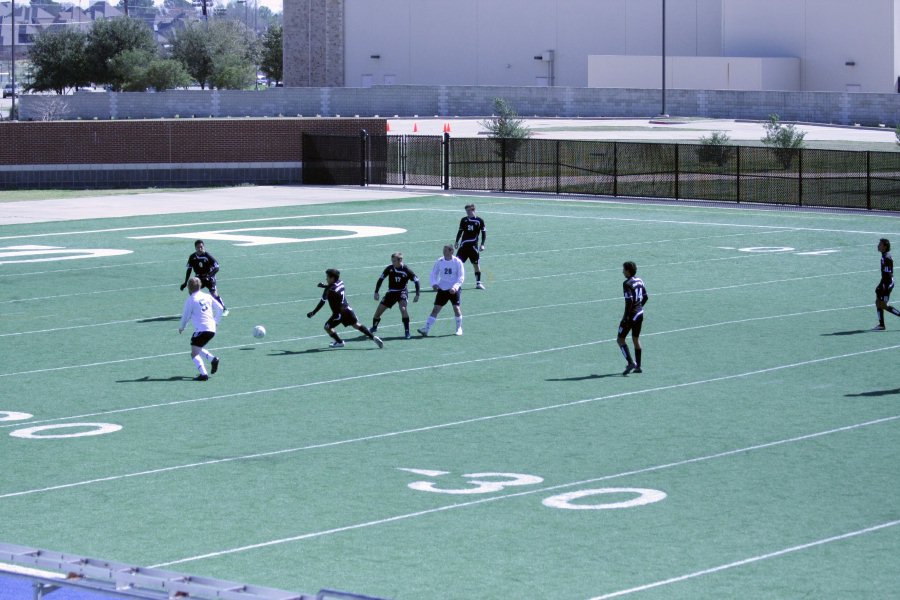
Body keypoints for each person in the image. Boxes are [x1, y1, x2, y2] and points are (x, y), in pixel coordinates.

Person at [307, 269, 384, 349]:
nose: (326, 279)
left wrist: (313, 312)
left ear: (332, 278)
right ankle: (373, 337)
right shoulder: (341, 282)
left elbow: (322, 302)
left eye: (327, 277)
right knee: (356, 325)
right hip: (348, 310)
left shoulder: (329, 290)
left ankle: (339, 342)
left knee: (327, 327)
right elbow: (334, 287)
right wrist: (324, 286)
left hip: (338, 314)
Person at [178, 276, 224, 381]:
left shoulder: (191, 300)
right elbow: (220, 308)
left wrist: (182, 327)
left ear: (189, 288)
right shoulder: (207, 296)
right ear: (200, 286)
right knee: (197, 348)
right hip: (211, 329)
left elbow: (186, 316)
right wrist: (216, 322)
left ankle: (204, 374)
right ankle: (213, 359)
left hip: (202, 329)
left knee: (194, 353)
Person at [418, 245, 465, 336]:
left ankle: (459, 328)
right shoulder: (440, 261)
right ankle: (426, 329)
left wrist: (455, 287)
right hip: (442, 288)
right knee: (435, 309)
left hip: (454, 290)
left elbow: (461, 277)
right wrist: (434, 284)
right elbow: (433, 273)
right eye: (443, 250)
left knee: (456, 308)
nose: (443, 252)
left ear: (451, 251)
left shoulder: (457, 262)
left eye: (445, 250)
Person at [371, 252, 421, 339]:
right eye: (392, 261)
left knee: (403, 308)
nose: (392, 262)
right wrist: (376, 292)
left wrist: (417, 294)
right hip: (391, 293)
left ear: (400, 260)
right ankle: (374, 327)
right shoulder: (389, 268)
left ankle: (407, 331)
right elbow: (381, 279)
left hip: (402, 292)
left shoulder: (406, 270)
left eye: (394, 261)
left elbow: (416, 281)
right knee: (377, 313)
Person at [180, 239, 228, 316]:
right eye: (198, 247)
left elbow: (217, 267)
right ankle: (197, 308)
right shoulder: (192, 257)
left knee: (214, 294)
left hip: (209, 277)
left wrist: (209, 276)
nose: (200, 249)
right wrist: (185, 282)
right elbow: (189, 269)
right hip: (199, 278)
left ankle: (224, 309)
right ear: (195, 248)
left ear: (204, 247)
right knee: (192, 292)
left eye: (201, 247)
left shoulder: (207, 256)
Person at [618, 261, 648, 375]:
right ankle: (638, 366)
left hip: (631, 315)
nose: (622, 272)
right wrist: (639, 307)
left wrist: (626, 317)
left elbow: (629, 301)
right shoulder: (640, 280)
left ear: (628, 271)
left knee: (620, 339)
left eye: (624, 270)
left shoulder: (627, 283)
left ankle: (630, 362)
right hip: (640, 313)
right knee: (636, 338)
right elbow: (645, 297)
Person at [455, 203, 487, 290]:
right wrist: (456, 241)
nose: (467, 212)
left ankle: (478, 283)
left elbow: (484, 234)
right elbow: (460, 231)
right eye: (466, 211)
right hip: (464, 246)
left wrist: (482, 244)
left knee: (476, 265)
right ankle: (456, 283)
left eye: (469, 210)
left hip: (473, 247)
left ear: (473, 210)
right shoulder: (464, 220)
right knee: (457, 264)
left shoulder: (480, 220)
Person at [873, 238, 900, 330]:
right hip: (884, 282)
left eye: (880, 244)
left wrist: (885, 286)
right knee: (877, 301)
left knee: (883, 305)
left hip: (887, 283)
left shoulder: (886, 258)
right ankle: (881, 325)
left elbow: (888, 275)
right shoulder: (884, 256)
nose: (878, 245)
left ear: (885, 246)